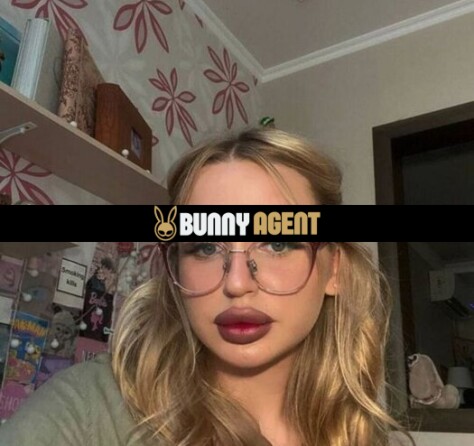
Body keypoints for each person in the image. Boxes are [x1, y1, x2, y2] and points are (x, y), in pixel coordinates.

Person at [0, 128, 412, 446]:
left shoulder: (364, 435)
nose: (236, 283)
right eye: (206, 246)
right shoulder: (88, 412)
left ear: (334, 269)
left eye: (277, 242)